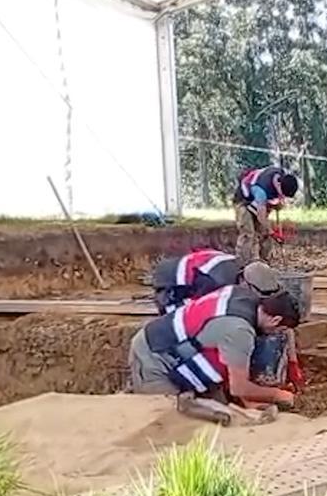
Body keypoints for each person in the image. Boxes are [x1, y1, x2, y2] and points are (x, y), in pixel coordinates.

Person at [127, 284, 301, 407]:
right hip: (154, 356)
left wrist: (247, 400)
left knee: (220, 411)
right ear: (275, 320)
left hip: (179, 351)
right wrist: (278, 395)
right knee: (170, 419)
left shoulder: (241, 294)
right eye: (280, 329)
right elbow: (238, 388)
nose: (274, 334)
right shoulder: (239, 331)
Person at [150, 250, 284, 315]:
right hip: (168, 286)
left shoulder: (238, 265)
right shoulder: (216, 283)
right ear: (245, 282)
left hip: (178, 271)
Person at [233, 166, 299, 264]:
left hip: (259, 203)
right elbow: (261, 217)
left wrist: (277, 204)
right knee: (248, 234)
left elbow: (273, 202)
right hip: (244, 201)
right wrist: (272, 232)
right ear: (279, 185)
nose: (283, 197)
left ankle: (264, 263)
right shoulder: (262, 191)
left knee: (265, 234)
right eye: (283, 194)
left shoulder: (281, 173)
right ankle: (242, 264)